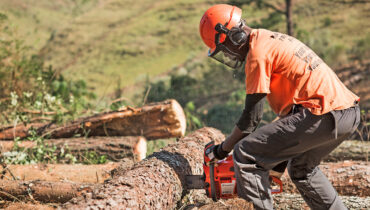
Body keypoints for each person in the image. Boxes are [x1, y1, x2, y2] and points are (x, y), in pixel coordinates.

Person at [199, 4, 360, 210]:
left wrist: (222, 151)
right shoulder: (268, 38)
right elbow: (291, 117)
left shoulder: (257, 54)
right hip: (346, 113)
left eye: (226, 49)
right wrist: (274, 159)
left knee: (245, 154)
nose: (229, 56)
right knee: (301, 169)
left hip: (324, 114)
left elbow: (250, 121)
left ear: (235, 36)